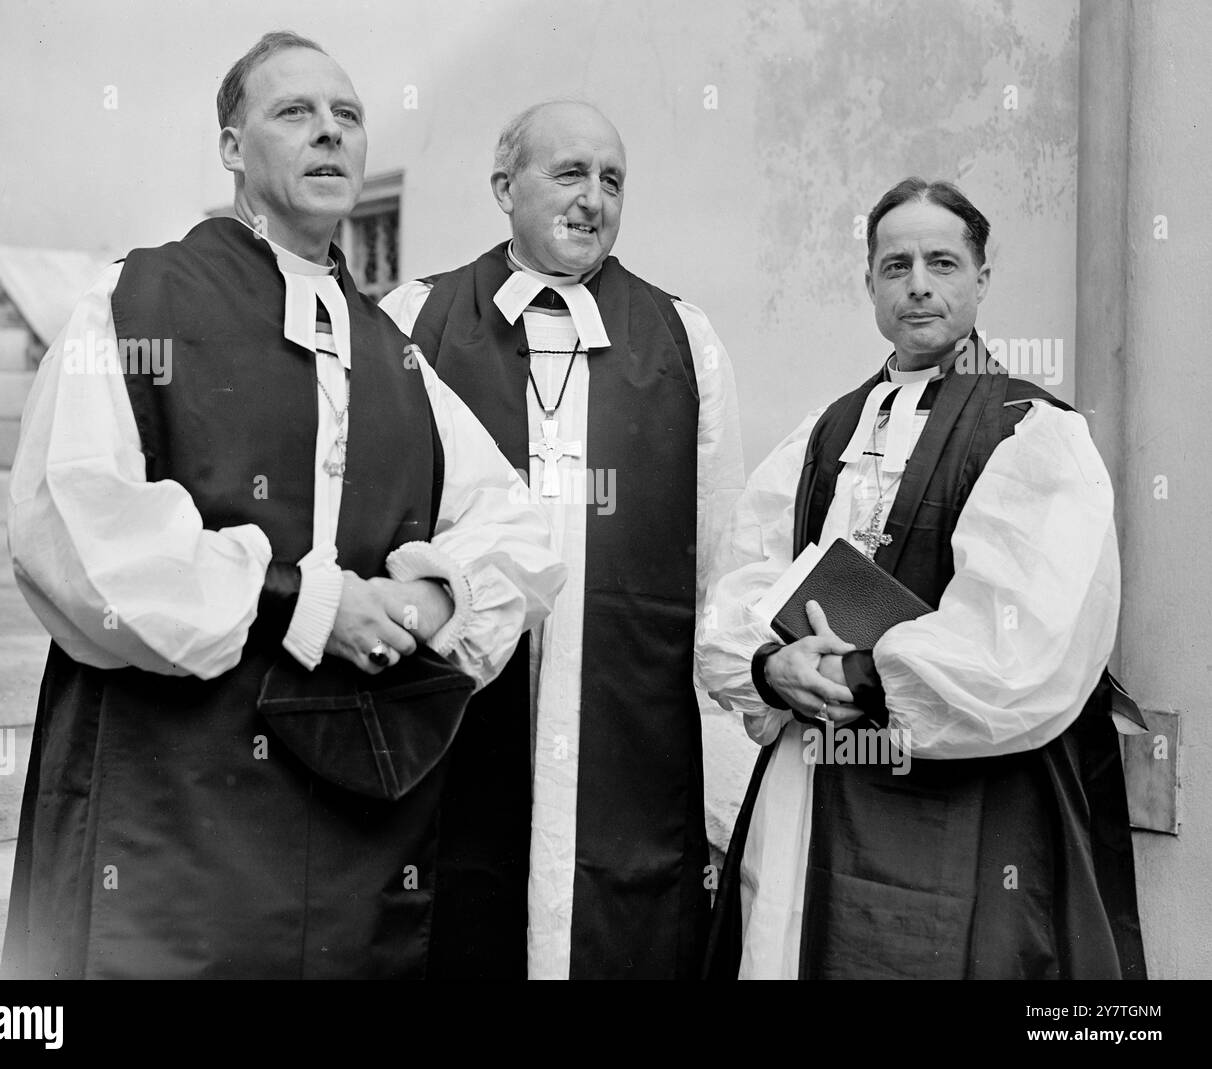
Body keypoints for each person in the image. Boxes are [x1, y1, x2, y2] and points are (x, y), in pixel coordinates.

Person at [0, 30, 565, 980]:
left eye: (348, 116)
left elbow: (514, 527)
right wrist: (305, 601)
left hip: (352, 827)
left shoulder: (396, 351)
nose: (330, 134)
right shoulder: (138, 299)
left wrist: (426, 601)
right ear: (232, 147)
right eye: (295, 112)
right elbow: (72, 523)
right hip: (170, 810)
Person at [696, 178, 1146, 980]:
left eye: (943, 261)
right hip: (808, 783)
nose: (919, 283)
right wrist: (770, 666)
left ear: (981, 276)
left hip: (961, 789)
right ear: (870, 281)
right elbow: (741, 590)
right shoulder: (826, 429)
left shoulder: (1031, 431)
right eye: (895, 264)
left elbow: (1021, 648)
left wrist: (859, 676)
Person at [380, 100, 745, 979]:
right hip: (459, 705)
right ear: (505, 186)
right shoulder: (414, 318)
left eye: (611, 180)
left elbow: (721, 554)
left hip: (627, 716)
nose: (593, 199)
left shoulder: (683, 339)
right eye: (568, 174)